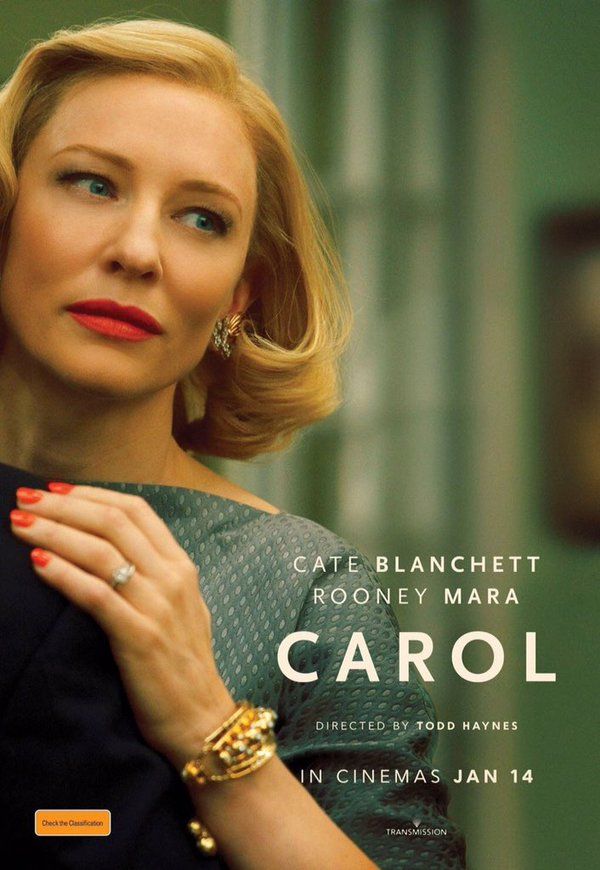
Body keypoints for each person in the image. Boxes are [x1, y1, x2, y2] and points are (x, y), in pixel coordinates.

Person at [0, 18, 466, 870]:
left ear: (239, 298)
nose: (138, 252)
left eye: (202, 218)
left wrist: (208, 727)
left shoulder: (304, 588)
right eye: (92, 184)